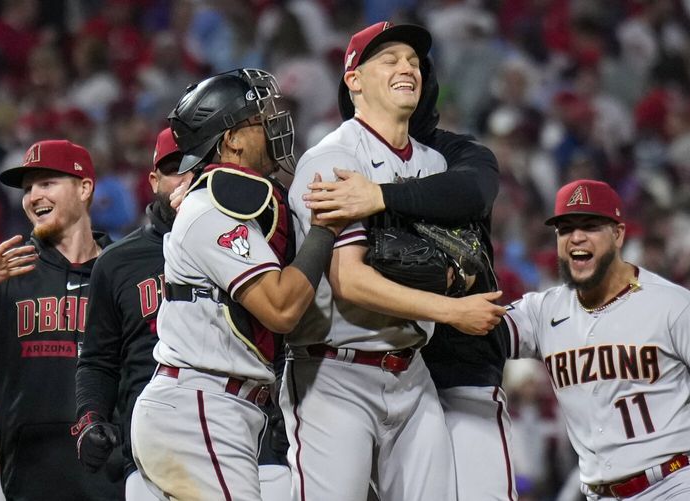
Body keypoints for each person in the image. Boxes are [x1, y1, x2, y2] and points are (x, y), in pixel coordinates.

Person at [282, 22, 506, 501]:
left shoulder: (436, 165)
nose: (406, 67)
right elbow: (349, 280)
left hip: (411, 371)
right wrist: (452, 311)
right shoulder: (333, 159)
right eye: (389, 59)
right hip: (336, 373)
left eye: (412, 60)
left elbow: (460, 264)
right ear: (354, 79)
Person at [130, 68, 343, 501]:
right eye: (257, 118)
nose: (271, 124)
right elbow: (281, 308)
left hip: (209, 405)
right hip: (199, 407)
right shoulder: (210, 208)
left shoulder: (225, 201)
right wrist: (324, 230)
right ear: (231, 139)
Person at [501, 179, 690, 500]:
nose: (576, 237)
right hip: (602, 493)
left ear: (618, 234)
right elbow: (482, 332)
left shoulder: (674, 304)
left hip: (679, 481)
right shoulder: (541, 311)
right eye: (565, 229)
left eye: (590, 226)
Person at [0, 140, 122, 500]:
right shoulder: (6, 272)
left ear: (84, 187)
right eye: (28, 188)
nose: (32, 196)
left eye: (46, 183)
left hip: (115, 477)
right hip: (32, 480)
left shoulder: (121, 271)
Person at [71, 128, 191, 500]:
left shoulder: (243, 243)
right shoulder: (119, 262)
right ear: (154, 180)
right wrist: (91, 418)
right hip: (149, 446)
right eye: (175, 169)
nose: (187, 179)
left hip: (238, 435)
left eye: (198, 166)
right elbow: (97, 360)